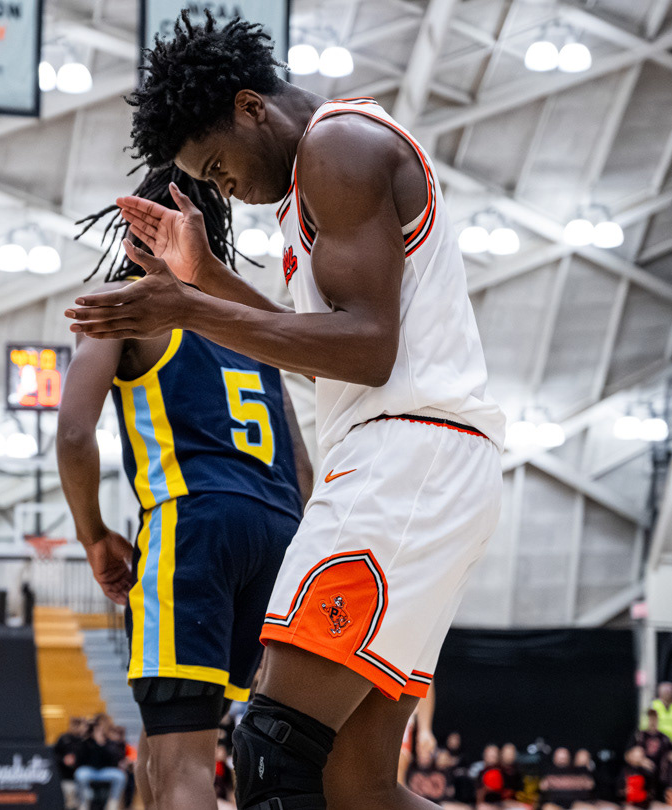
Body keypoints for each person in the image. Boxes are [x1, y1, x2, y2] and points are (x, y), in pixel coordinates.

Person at [66, 11, 505, 810]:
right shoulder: (325, 169)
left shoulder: (338, 147)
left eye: (217, 166)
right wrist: (204, 279)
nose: (223, 188)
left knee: (271, 751)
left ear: (251, 108)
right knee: (353, 785)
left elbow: (366, 349)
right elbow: (323, 351)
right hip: (428, 467)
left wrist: (190, 308)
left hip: (405, 461)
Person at [58, 163, 310, 810]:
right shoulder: (250, 322)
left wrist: (93, 535)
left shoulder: (127, 304)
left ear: (131, 227)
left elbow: (75, 434)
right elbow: (302, 469)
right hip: (279, 534)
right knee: (170, 738)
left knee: (182, 767)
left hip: (195, 523)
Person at [74, 716, 129, 810]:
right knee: (80, 774)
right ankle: (83, 803)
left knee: (120, 776)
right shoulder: (86, 742)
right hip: (90, 770)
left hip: (105, 770)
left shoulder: (109, 742)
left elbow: (114, 759)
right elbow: (80, 759)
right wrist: (86, 736)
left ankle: (112, 803)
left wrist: (101, 743)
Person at [633, 709, 672, 792]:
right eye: (650, 719)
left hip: (660, 773)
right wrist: (640, 761)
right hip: (643, 772)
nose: (652, 722)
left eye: (654, 719)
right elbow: (629, 755)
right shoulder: (640, 736)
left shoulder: (664, 738)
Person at [55, 716, 88, 808]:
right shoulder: (64, 738)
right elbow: (54, 755)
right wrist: (64, 760)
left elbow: (88, 759)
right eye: (83, 726)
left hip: (82, 777)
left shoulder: (85, 741)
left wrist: (77, 760)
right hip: (66, 777)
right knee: (68, 793)